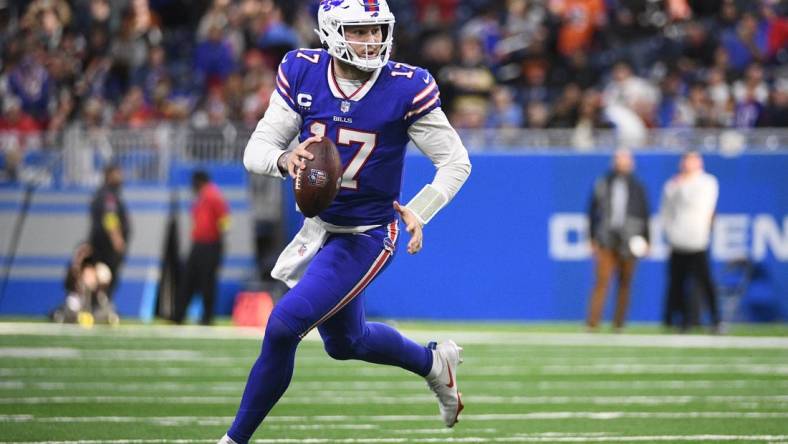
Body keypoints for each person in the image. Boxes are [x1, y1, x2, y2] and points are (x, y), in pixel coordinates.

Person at [218, 1, 472, 442]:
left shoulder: (405, 86)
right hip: (320, 228)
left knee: (283, 325)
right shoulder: (302, 70)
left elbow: (455, 163)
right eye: (359, 30)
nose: (372, 41)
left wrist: (421, 208)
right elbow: (255, 150)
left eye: (377, 31)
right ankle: (435, 364)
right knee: (345, 343)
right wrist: (283, 158)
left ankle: (233, 440)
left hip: (368, 233)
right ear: (332, 30)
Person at [586, 149, 650, 332]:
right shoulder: (603, 182)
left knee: (625, 282)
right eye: (618, 160)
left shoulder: (638, 186)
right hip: (606, 238)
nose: (622, 163)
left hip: (630, 239)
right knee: (602, 280)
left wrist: (647, 239)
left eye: (625, 160)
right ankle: (593, 322)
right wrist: (592, 237)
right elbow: (592, 212)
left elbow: (645, 214)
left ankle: (619, 323)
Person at [660, 150, 721, 333]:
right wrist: (669, 233)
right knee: (678, 283)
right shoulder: (672, 184)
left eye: (692, 160)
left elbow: (701, 203)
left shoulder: (707, 182)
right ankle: (683, 320)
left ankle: (716, 319)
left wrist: (683, 183)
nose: (688, 164)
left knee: (705, 281)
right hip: (678, 240)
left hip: (697, 239)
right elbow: (666, 212)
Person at [172, 170, 230, 325]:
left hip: (209, 244)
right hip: (200, 244)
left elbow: (224, 219)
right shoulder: (204, 196)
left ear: (199, 181)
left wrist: (220, 238)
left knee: (205, 281)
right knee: (193, 279)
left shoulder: (212, 195)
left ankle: (202, 317)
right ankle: (180, 314)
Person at [88, 164, 130, 301]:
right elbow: (110, 217)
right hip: (106, 245)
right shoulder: (108, 195)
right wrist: (116, 238)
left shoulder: (104, 193)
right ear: (109, 175)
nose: (121, 177)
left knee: (102, 275)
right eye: (118, 174)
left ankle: (100, 304)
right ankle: (101, 304)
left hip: (101, 243)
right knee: (106, 275)